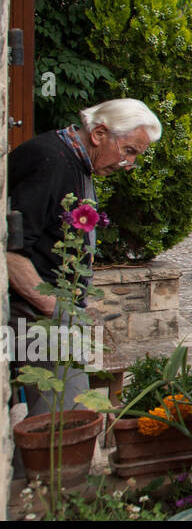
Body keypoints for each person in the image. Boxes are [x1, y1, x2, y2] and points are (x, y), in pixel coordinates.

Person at [6, 98, 162, 422]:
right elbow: (10, 254)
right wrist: (61, 313)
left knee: (53, 425)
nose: (129, 164)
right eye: (129, 151)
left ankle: (39, 473)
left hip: (52, 315)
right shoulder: (51, 161)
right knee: (66, 421)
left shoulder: (76, 163)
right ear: (99, 133)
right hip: (37, 317)